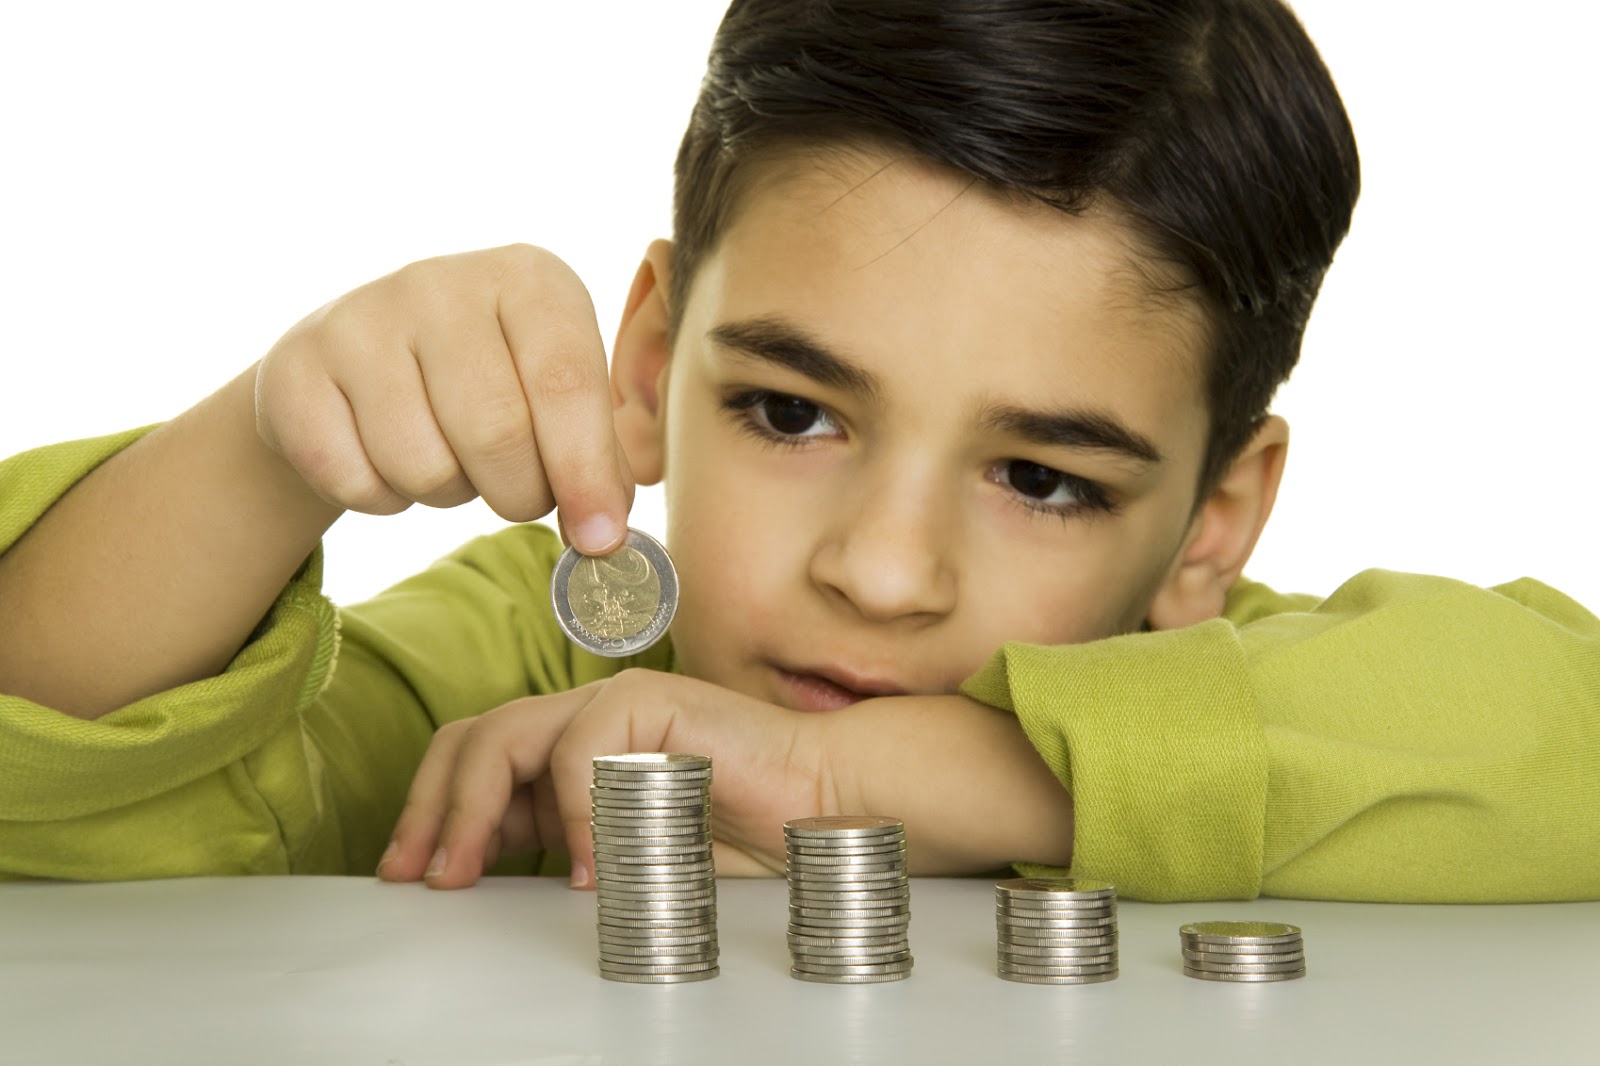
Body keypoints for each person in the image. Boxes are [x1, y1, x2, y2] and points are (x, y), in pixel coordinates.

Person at [0, 0, 1595, 903]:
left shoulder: (1264, 704)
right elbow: (58, 787)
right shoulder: (526, 664)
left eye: (1043, 477)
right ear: (648, 363)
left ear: (1206, 527)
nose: (881, 572)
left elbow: (1565, 727)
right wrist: (260, 454)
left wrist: (892, 774)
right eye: (791, 410)